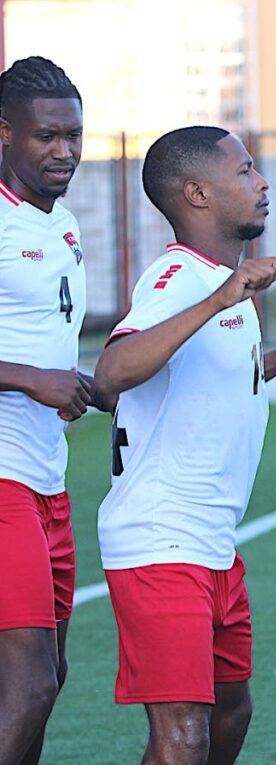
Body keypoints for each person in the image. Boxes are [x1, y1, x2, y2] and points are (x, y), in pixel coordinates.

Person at [93, 126, 276, 765]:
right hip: (159, 538)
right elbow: (113, 374)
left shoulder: (226, 284)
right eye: (246, 172)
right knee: (184, 737)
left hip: (212, 541)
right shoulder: (179, 277)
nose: (263, 184)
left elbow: (229, 378)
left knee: (231, 712)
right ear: (199, 193)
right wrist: (219, 298)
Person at [0, 56, 100, 765]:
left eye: (74, 136)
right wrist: (34, 379)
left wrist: (87, 381)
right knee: (29, 682)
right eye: (46, 137)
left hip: (47, 477)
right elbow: (32, 367)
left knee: (45, 677)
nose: (64, 152)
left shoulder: (59, 222)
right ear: (5, 133)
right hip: (3, 476)